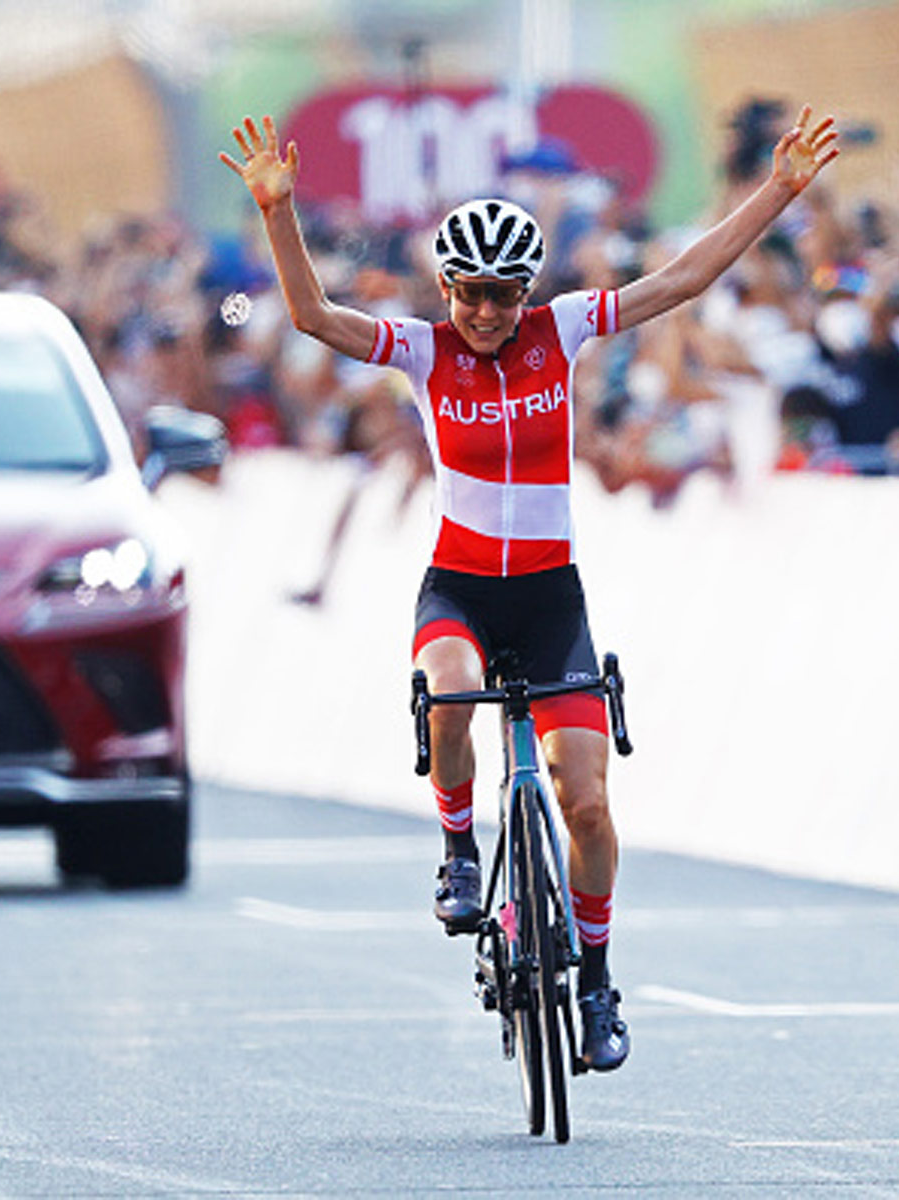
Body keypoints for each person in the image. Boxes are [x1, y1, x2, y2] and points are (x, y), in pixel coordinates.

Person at [221, 107, 839, 1072]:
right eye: (469, 294)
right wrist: (279, 211)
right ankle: (462, 850)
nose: (487, 313)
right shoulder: (425, 352)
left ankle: (594, 978)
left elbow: (684, 278)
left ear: (527, 289)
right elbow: (312, 317)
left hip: (552, 598)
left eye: (504, 295)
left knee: (586, 804)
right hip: (461, 588)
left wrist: (779, 192)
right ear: (446, 287)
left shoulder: (564, 328)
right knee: (451, 694)